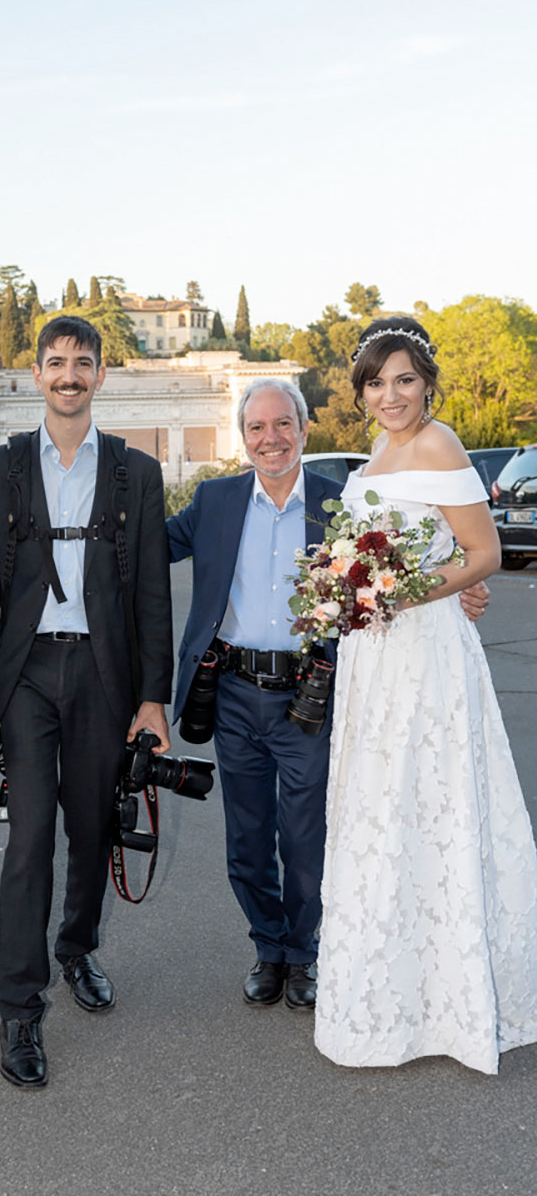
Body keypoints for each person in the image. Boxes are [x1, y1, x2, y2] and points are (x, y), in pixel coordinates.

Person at [314, 316, 537, 1074]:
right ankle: (393, 994)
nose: (390, 395)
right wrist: (339, 586)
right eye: (376, 382)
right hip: (371, 657)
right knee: (381, 809)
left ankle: (452, 999)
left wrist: (404, 593)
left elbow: (487, 554)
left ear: (427, 382)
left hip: (423, 654)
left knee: (430, 803)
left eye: (404, 378)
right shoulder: (377, 452)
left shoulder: (441, 444)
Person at [0, 315, 173, 1089]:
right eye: (55, 362)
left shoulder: (134, 472)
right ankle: (21, 1010)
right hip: (24, 678)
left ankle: (77, 948)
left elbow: (153, 591)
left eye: (82, 363)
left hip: (101, 673)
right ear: (35, 376)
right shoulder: (0, 466)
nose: (69, 375)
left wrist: (153, 697)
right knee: (29, 843)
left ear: (100, 377)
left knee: (91, 830)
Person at [167, 379, 342, 1011]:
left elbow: (404, 565)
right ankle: (268, 948)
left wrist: (465, 586)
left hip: (309, 696)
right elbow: (144, 549)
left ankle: (302, 953)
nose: (271, 439)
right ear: (243, 439)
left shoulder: (339, 503)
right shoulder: (215, 500)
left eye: (282, 425)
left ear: (303, 429)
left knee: (303, 837)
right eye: (257, 428)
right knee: (246, 836)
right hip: (234, 694)